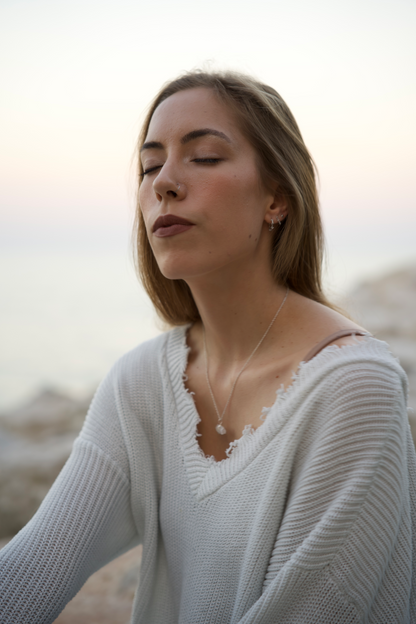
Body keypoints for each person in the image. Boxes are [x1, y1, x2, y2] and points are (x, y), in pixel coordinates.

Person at [1, 70, 415, 623]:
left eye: (204, 157)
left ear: (277, 198)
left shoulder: (355, 387)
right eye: (150, 166)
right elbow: (31, 572)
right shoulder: (141, 383)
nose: (163, 183)